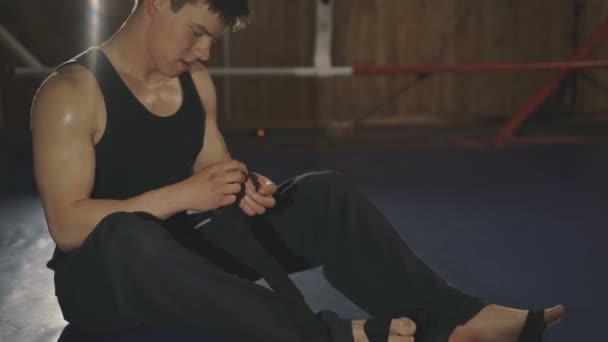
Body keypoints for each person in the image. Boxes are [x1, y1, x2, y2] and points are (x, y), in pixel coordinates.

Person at [30, 0, 564, 341]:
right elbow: (69, 226)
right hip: (102, 283)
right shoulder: (72, 93)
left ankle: (453, 319)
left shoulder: (193, 84)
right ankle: (319, 337)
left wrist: (244, 187)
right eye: (196, 32)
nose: (205, 51)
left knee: (320, 194)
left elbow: (214, 167)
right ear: (153, 5)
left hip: (178, 259)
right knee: (132, 237)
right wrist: (183, 195)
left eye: (212, 38)